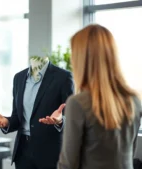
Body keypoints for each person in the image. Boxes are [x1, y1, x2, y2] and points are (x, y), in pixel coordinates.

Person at [57, 24, 142, 169]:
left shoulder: (78, 103)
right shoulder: (134, 100)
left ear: (82, 59)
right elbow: (130, 154)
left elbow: (68, 165)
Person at [0, 48, 74, 168]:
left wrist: (60, 120)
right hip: (23, 152)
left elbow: (73, 118)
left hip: (50, 153)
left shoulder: (63, 77)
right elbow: (17, 117)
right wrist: (6, 122)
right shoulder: (19, 78)